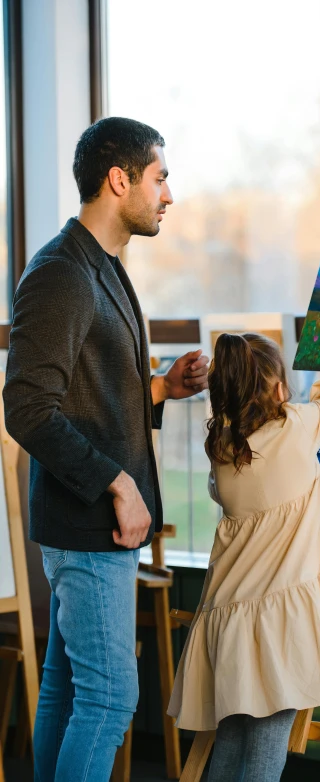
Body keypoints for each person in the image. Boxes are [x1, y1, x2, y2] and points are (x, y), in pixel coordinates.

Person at [3, 117, 209, 782]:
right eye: (160, 177)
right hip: (89, 526)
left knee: (68, 690)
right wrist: (118, 483)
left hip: (94, 527)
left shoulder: (102, 267)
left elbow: (86, 397)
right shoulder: (61, 274)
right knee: (112, 696)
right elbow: (27, 409)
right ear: (118, 180)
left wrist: (160, 387)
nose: (169, 195)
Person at [168, 286, 320, 782]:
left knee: (231, 743)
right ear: (279, 389)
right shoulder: (298, 430)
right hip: (279, 630)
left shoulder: (220, 447)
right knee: (263, 755)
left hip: (229, 620)